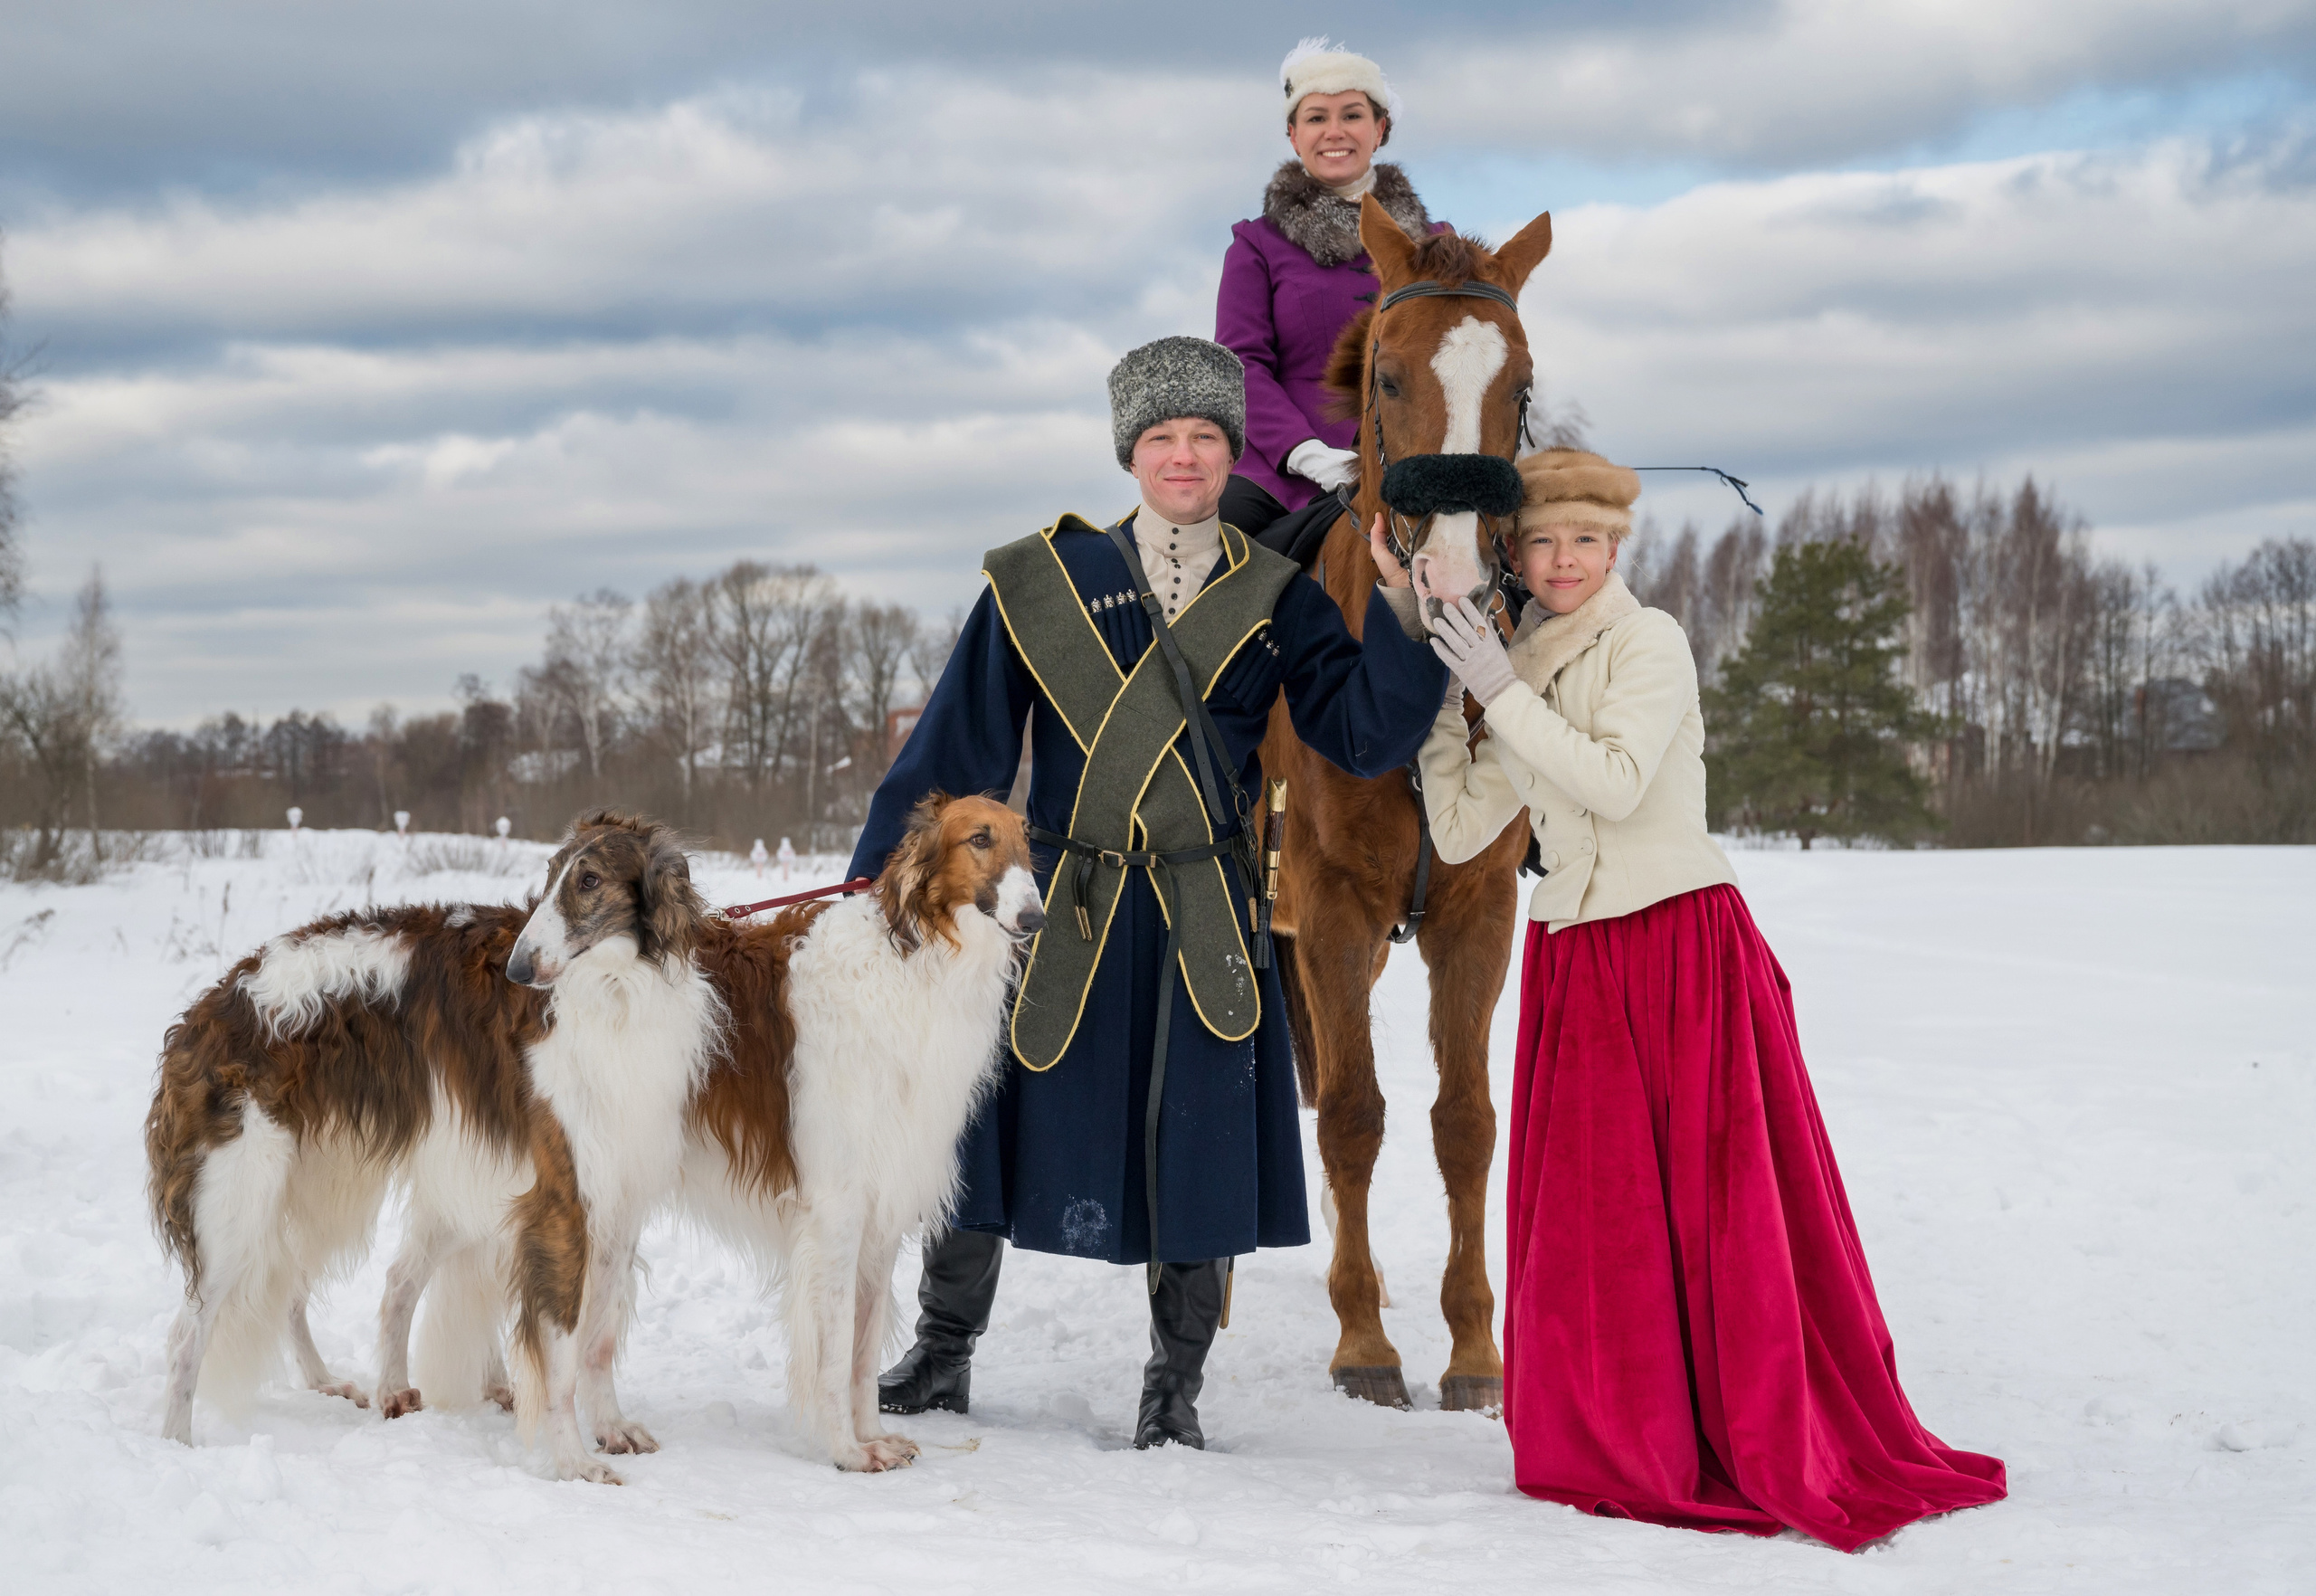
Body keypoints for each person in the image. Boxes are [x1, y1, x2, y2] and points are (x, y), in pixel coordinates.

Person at [854, 336, 1447, 1449]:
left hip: (1202, 907)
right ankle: (941, 1351)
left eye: (1206, 438)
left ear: (1231, 454)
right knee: (979, 1117)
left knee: (1201, 1132)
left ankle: (1174, 1387)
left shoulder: (1274, 593)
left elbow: (1362, 731)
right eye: (1163, 438)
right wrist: (869, 885)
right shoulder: (1038, 581)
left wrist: (1412, 612)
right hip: (1059, 905)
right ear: (1131, 452)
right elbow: (956, 748)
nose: (1184, 457)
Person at [1410, 450, 2008, 1551]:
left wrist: (1498, 689)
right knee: (1600, 1223)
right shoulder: (1521, 655)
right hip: (1577, 957)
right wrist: (1453, 704)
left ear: (1616, 548)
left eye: (1584, 541)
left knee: (1705, 1208)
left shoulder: (1650, 639)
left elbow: (1616, 780)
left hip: (1678, 946)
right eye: (1541, 543)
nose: (1563, 561)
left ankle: (1727, 1426)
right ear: (1517, 554)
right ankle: (1612, 1432)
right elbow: (1457, 832)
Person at [1214, 40, 1440, 537]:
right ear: (1294, 136)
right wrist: (1305, 453)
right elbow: (1241, 365)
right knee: (1214, 538)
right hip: (1284, 471)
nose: (1334, 132)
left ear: (1379, 130)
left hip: (1415, 457)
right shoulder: (1256, 244)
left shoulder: (1435, 244)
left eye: (1352, 115)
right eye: (1316, 118)